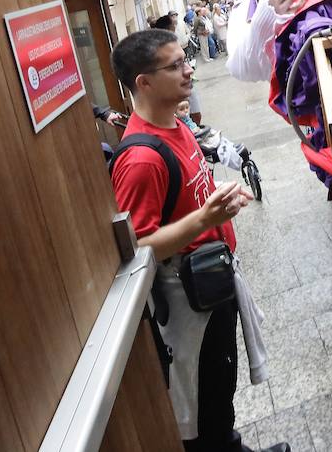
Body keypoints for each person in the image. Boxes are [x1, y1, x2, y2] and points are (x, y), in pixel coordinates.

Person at [109, 30, 288, 452]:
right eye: (175, 65)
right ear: (144, 82)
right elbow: (141, 248)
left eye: (185, 59)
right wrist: (205, 218)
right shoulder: (140, 160)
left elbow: (187, 194)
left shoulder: (178, 126)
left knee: (219, 388)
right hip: (190, 303)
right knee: (204, 399)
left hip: (213, 282)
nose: (189, 69)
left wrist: (216, 198)